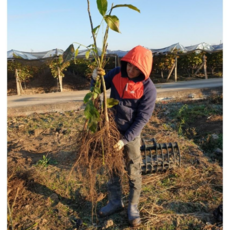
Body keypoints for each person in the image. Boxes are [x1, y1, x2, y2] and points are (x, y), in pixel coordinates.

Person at [91, 45, 157, 227]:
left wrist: (125, 140)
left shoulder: (149, 89)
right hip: (110, 129)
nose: (130, 69)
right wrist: (95, 78)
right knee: (111, 166)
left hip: (131, 135)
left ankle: (133, 206)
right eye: (129, 64)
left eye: (136, 67)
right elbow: (96, 90)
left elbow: (142, 119)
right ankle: (114, 201)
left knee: (133, 169)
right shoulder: (116, 73)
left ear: (143, 69)